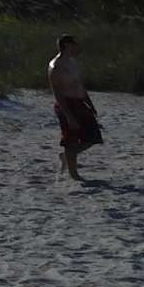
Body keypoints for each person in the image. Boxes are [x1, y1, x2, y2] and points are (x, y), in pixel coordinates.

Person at [48, 34, 103, 181]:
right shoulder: (56, 66)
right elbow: (57, 93)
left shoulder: (73, 62)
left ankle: (66, 157)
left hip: (79, 102)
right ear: (66, 45)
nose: (76, 47)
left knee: (92, 136)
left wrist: (90, 104)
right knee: (71, 140)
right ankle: (74, 174)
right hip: (66, 104)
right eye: (73, 45)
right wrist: (69, 116)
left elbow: (80, 85)